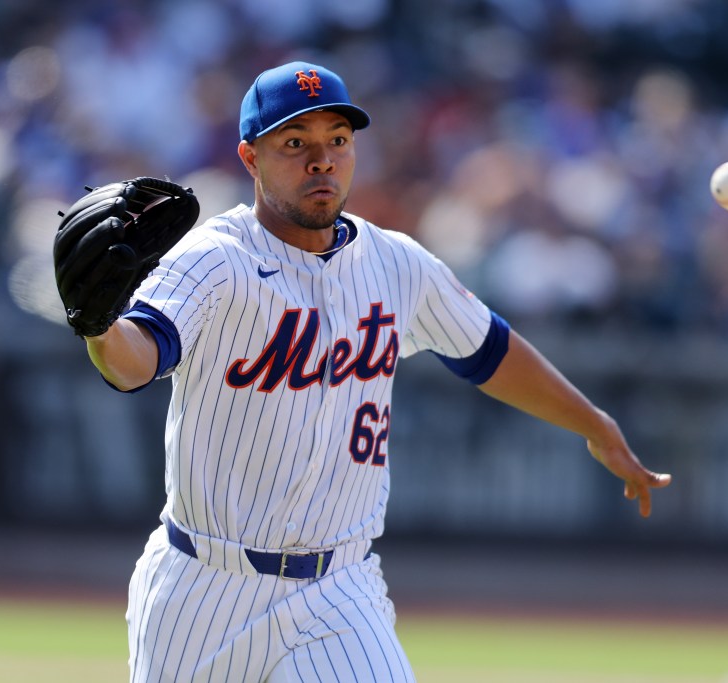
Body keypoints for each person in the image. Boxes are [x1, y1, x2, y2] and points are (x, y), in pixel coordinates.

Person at [81, 60, 671, 682]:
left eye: (337, 139)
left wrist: (593, 423)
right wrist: (98, 327)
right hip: (203, 588)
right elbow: (135, 361)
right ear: (250, 159)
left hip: (339, 590)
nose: (322, 160)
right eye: (295, 143)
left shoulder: (396, 263)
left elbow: (490, 352)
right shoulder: (213, 259)